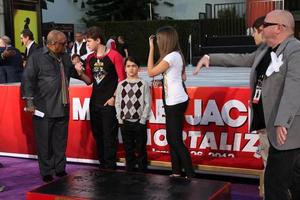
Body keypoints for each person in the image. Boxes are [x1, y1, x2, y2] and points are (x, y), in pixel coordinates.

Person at [194, 16, 269, 166]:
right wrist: (210, 57)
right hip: (265, 119)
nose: (253, 35)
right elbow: (241, 59)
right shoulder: (263, 51)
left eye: (254, 32)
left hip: (275, 121)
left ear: (263, 31)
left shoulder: (284, 51)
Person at [21, 30, 77, 183]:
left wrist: (82, 68)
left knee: (60, 141)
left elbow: (74, 72)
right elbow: (27, 80)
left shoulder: (65, 57)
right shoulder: (37, 57)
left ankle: (59, 169)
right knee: (44, 142)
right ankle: (46, 171)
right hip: (43, 108)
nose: (66, 46)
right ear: (52, 44)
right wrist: (30, 102)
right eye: (63, 44)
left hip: (63, 106)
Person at [74, 26, 126, 170]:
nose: (87, 45)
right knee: (98, 136)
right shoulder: (90, 58)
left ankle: (110, 167)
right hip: (94, 102)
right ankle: (103, 166)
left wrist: (114, 98)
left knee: (109, 137)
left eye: (89, 41)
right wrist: (80, 73)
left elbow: (122, 79)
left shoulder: (115, 55)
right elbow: (89, 80)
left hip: (109, 103)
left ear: (98, 40)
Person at [147, 26, 195, 179]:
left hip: (175, 101)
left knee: (174, 139)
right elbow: (182, 77)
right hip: (175, 99)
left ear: (165, 40)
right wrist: (164, 81)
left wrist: (151, 48)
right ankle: (176, 171)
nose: (158, 42)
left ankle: (190, 174)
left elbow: (150, 72)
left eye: (159, 39)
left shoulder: (171, 56)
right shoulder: (176, 54)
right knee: (173, 138)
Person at [115, 56, 151, 172]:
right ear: (124, 69)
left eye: (134, 66)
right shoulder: (121, 85)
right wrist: (120, 119)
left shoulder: (143, 84)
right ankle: (129, 170)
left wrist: (142, 120)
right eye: (128, 66)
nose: (131, 69)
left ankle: (142, 171)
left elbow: (147, 103)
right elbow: (118, 103)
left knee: (140, 149)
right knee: (128, 148)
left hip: (139, 122)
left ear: (139, 68)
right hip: (125, 122)